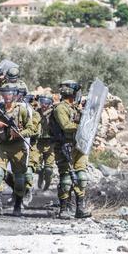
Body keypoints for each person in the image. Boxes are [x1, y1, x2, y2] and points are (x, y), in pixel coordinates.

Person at [0, 83, 33, 217]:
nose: (7, 97)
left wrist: (19, 133)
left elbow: (31, 129)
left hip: (18, 147)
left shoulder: (22, 110)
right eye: (5, 94)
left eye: (10, 93)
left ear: (15, 95)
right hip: (1, 146)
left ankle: (18, 204)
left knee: (19, 179)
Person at [52, 80, 92, 219]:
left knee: (81, 177)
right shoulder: (60, 108)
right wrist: (82, 126)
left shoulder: (74, 108)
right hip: (65, 147)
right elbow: (66, 126)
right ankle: (63, 209)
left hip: (78, 146)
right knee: (66, 179)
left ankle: (80, 209)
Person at [36, 94, 55, 191]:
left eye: (47, 102)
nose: (44, 105)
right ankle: (40, 176)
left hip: (50, 143)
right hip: (38, 143)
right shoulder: (36, 113)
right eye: (42, 102)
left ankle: (47, 182)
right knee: (38, 168)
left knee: (48, 169)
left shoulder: (53, 113)